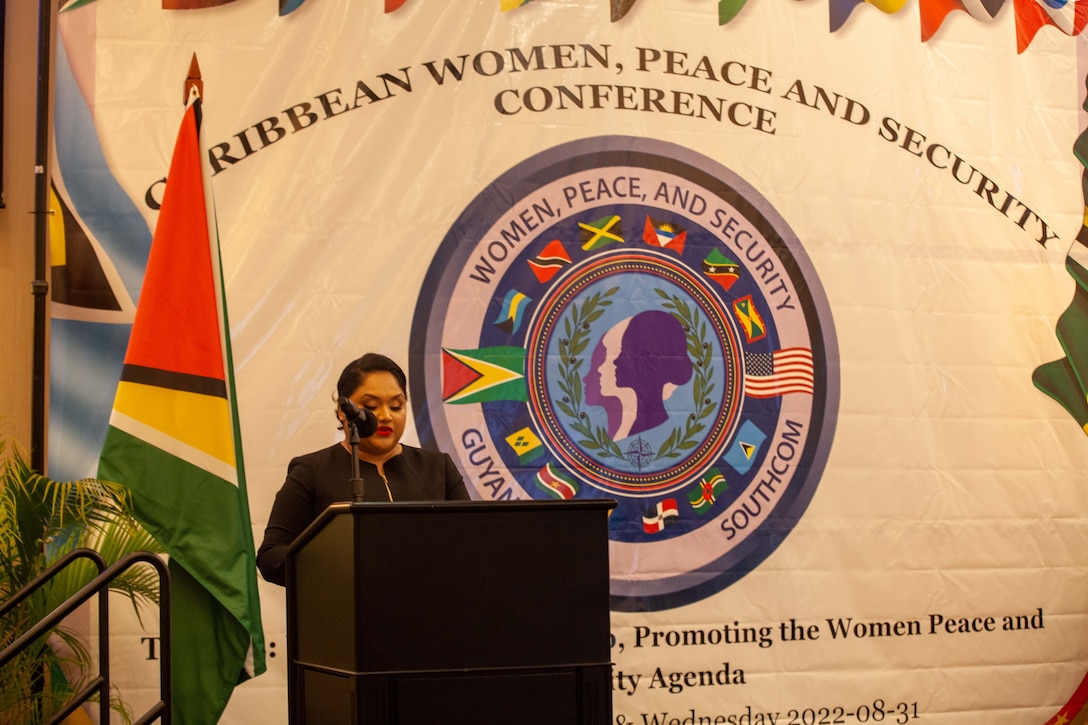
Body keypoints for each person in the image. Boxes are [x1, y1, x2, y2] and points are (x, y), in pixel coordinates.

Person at [257, 353, 470, 586]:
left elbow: (474, 541)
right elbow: (271, 557)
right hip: (344, 613)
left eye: (396, 406)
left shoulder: (438, 467)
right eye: (371, 406)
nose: (386, 416)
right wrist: (334, 567)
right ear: (342, 410)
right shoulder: (311, 471)